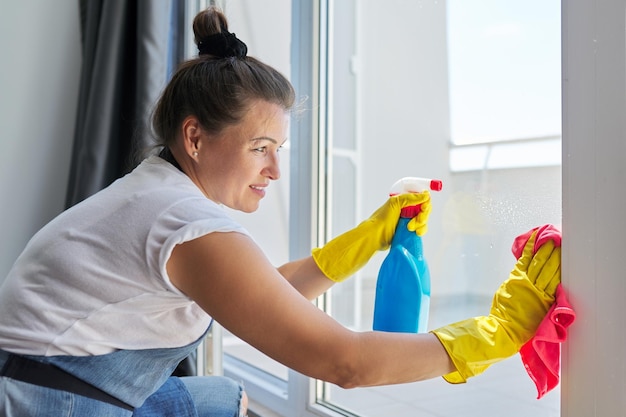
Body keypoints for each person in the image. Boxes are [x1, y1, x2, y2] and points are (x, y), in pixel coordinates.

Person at [0, 6, 561, 417]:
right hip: (45, 402)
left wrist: (364, 241)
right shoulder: (184, 224)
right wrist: (497, 332)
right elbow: (346, 363)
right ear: (194, 137)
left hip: (53, 377)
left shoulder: (157, 192)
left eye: (279, 150)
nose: (273, 171)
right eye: (259, 148)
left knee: (227, 399)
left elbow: (258, 290)